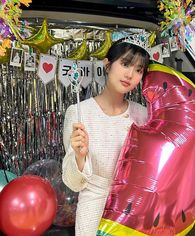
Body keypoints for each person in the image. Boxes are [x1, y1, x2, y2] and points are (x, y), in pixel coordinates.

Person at [62, 39, 150, 236]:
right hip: (93, 209)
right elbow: (73, 183)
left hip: (132, 209)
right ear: (107, 64)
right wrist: (79, 157)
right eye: (125, 64)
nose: (130, 74)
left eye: (138, 70)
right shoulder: (78, 113)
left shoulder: (143, 116)